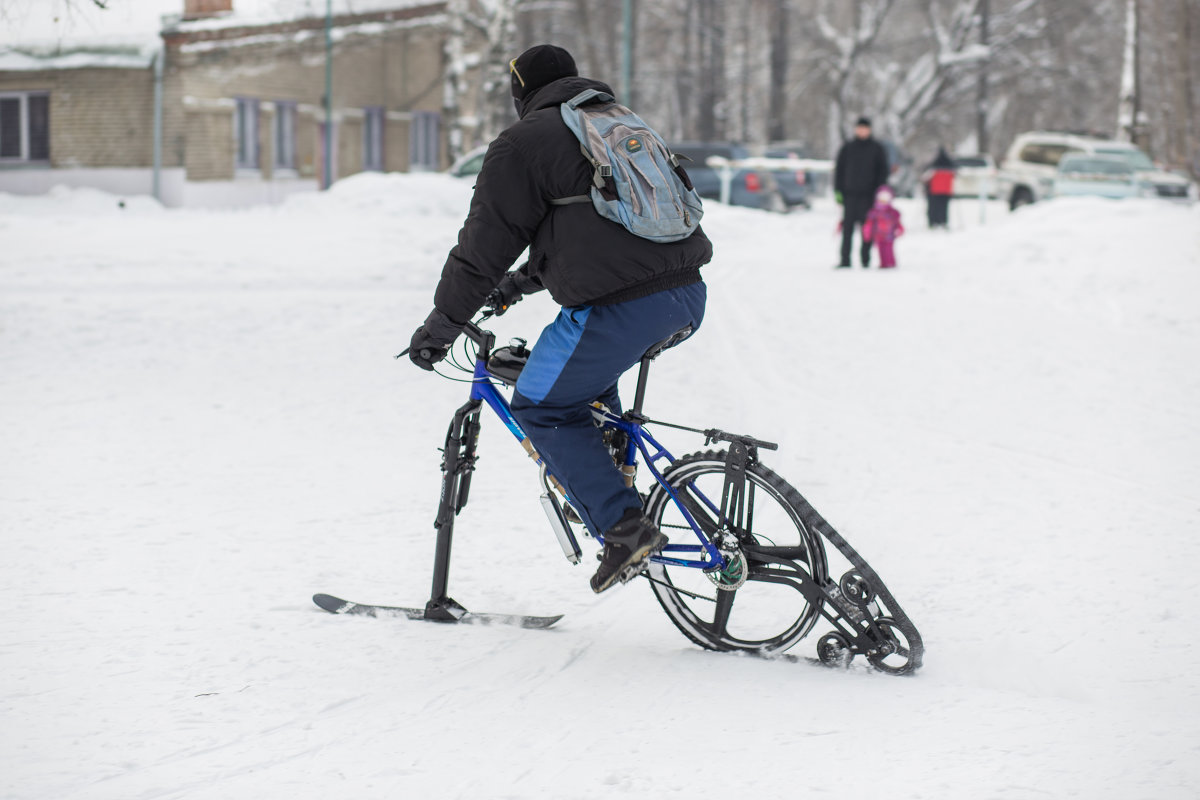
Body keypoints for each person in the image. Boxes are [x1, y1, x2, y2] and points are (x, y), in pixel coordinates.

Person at [406, 45, 712, 594]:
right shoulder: (621, 124)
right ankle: (612, 470)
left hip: (617, 309)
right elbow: (599, 232)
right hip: (686, 295)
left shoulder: (521, 144)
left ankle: (624, 528)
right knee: (584, 388)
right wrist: (520, 284)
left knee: (542, 407)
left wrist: (441, 327)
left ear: (520, 93)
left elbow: (482, 248)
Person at [833, 116, 890, 268]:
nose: (862, 131)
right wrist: (838, 191)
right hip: (849, 195)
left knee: (867, 229)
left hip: (869, 196)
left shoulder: (877, 149)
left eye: (865, 128)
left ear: (869, 130)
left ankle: (865, 259)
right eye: (859, 128)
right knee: (847, 229)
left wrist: (880, 193)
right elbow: (839, 171)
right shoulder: (847, 148)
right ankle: (845, 260)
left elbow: (883, 172)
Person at [862, 186, 905, 269]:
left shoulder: (892, 212)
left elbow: (897, 222)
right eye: (881, 199)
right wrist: (867, 232)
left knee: (889, 250)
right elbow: (869, 223)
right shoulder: (874, 212)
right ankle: (884, 263)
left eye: (885, 199)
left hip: (890, 235)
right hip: (879, 235)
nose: (883, 201)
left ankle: (891, 262)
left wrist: (900, 229)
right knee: (881, 250)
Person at [923, 146, 956, 229]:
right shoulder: (950, 164)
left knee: (933, 207)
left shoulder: (934, 164)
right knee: (944, 207)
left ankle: (933, 221)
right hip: (946, 190)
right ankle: (943, 221)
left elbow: (926, 177)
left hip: (935, 190)